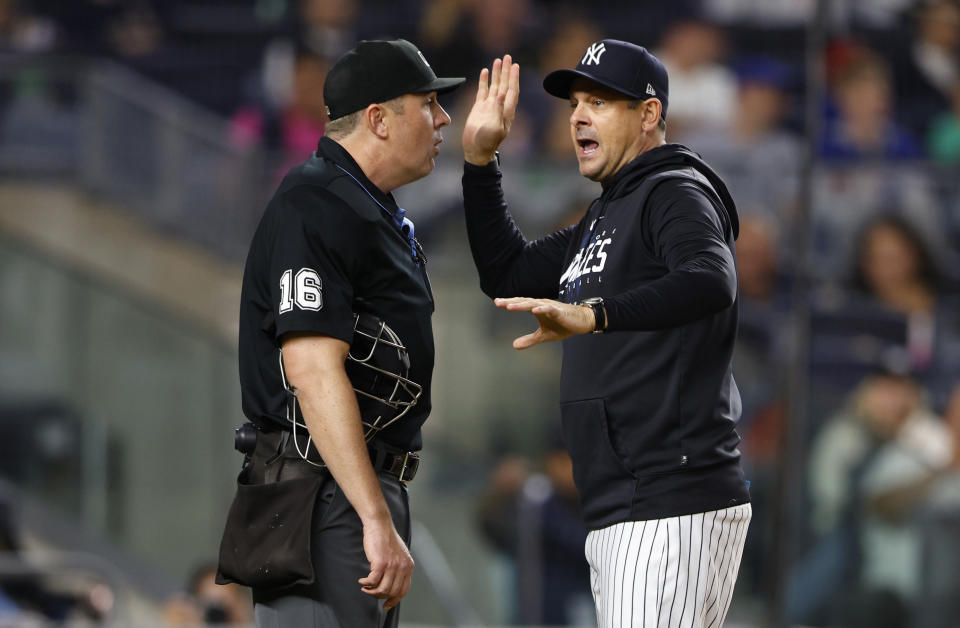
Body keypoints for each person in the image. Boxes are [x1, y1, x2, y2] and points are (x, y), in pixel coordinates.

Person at [460, 41, 752, 628]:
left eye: (600, 101)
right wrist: (480, 161)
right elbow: (507, 272)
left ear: (648, 115)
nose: (578, 116)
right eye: (574, 103)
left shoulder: (672, 190)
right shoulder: (605, 213)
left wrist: (594, 314)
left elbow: (710, 279)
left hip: (670, 496)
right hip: (626, 503)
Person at [217, 38, 463, 628]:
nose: (444, 117)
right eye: (428, 103)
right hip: (320, 494)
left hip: (352, 489)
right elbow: (311, 369)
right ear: (378, 119)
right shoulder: (315, 204)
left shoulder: (365, 205)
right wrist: (373, 516)